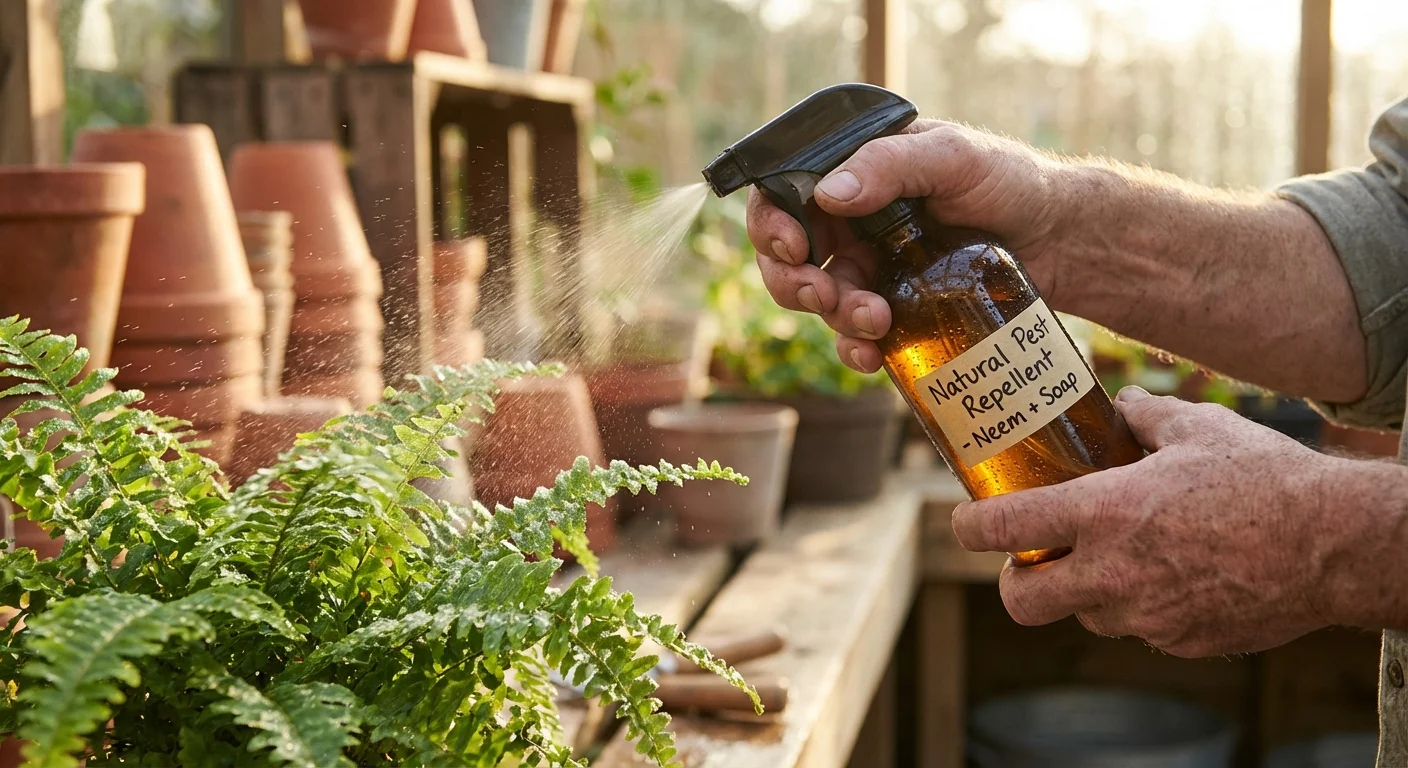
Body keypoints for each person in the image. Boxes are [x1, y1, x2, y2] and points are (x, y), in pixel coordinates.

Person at [745, 97, 1408, 762]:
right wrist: (1057, 218)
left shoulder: (975, 268)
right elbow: (1391, 253)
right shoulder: (975, 261)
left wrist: (1328, 533)